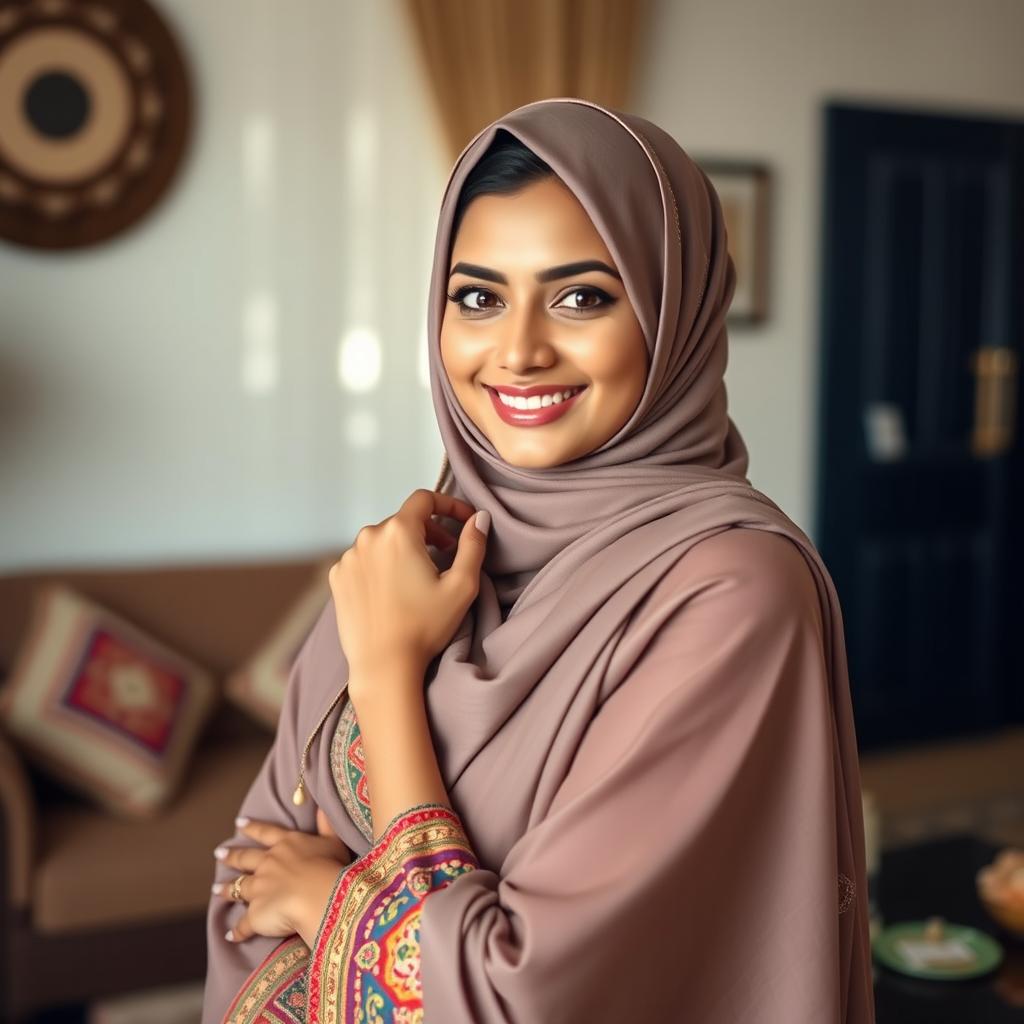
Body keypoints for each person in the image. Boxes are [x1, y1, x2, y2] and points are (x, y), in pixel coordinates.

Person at [201, 97, 876, 1023]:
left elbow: (522, 1002)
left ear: (675, 314)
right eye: (477, 296)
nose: (517, 352)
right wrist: (370, 919)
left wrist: (383, 696)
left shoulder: (731, 596)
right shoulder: (420, 556)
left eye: (582, 297)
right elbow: (253, 868)